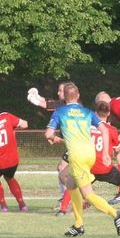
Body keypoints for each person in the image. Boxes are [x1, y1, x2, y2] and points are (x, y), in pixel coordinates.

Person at [45, 83, 120, 237]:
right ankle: (78, 225)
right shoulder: (87, 112)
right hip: (91, 153)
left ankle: (116, 214)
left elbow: (48, 134)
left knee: (87, 194)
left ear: (64, 97)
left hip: (77, 155)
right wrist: (107, 154)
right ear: (78, 95)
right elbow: (104, 130)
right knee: (70, 183)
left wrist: (55, 138)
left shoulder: (60, 112)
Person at [56, 101, 120, 215]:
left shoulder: (86, 127)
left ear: (95, 112)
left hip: (88, 164)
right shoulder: (111, 130)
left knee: (72, 183)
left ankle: (62, 210)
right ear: (109, 114)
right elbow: (116, 149)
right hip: (104, 167)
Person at [27, 82, 72, 211]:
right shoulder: (69, 104)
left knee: (64, 171)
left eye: (61, 91)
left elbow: (44, 104)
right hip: (75, 145)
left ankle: (71, 197)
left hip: (77, 146)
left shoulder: (64, 105)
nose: (58, 93)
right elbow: (47, 103)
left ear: (68, 92)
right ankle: (70, 197)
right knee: (63, 169)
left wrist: (34, 97)